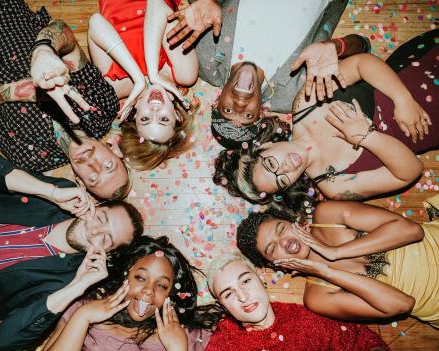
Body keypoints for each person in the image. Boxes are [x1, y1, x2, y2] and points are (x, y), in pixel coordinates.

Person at [0, 150, 144, 351]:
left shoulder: (63, 283)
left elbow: (4, 343)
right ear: (95, 206)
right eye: (101, 219)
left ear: (106, 254)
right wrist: (50, 192)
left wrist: (76, 286)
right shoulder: (59, 192)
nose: (95, 231)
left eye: (106, 239)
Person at [214, 30, 437, 204]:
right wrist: (366, 137)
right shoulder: (333, 186)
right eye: (281, 180)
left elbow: (361, 64)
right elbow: (410, 172)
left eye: (271, 164)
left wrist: (402, 99)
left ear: (263, 148)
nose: (285, 169)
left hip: (423, 64)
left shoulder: (305, 103)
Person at [0, 0, 130, 199]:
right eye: (108, 166)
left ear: (79, 181)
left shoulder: (31, 159)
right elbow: (62, 30)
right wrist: (44, 49)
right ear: (114, 150)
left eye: (93, 179)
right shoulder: (102, 107)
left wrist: (20, 92)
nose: (94, 165)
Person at [166, 0, 372, 149]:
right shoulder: (296, 93)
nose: (239, 105)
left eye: (228, 110)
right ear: (261, 112)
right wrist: (336, 46)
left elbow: (202, 12)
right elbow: (363, 45)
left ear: (217, 100)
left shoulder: (204, 59)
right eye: (248, 115)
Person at [35, 236, 219, 351]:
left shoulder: (184, 336)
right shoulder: (83, 308)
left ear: (170, 294)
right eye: (140, 278)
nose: (149, 290)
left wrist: (178, 348)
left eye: (161, 285)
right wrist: (83, 317)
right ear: (125, 276)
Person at [236, 196, 439, 327]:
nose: (284, 242)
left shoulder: (328, 215)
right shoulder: (318, 297)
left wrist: (336, 252)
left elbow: (413, 231)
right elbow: (403, 304)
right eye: (272, 249)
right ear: (276, 264)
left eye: (281, 229)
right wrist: (326, 271)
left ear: (293, 222)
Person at [200, 254, 394, 351]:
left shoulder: (306, 321)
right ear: (223, 305)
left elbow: (358, 344)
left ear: (260, 278)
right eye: (228, 294)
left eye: (245, 281)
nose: (242, 296)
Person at [87, 0, 198, 170]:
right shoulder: (185, 74)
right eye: (164, 119)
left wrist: (138, 78)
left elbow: (95, 21)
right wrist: (152, 73)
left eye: (145, 119)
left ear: (135, 115)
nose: (155, 110)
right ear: (176, 115)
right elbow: (156, 4)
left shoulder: (116, 87)